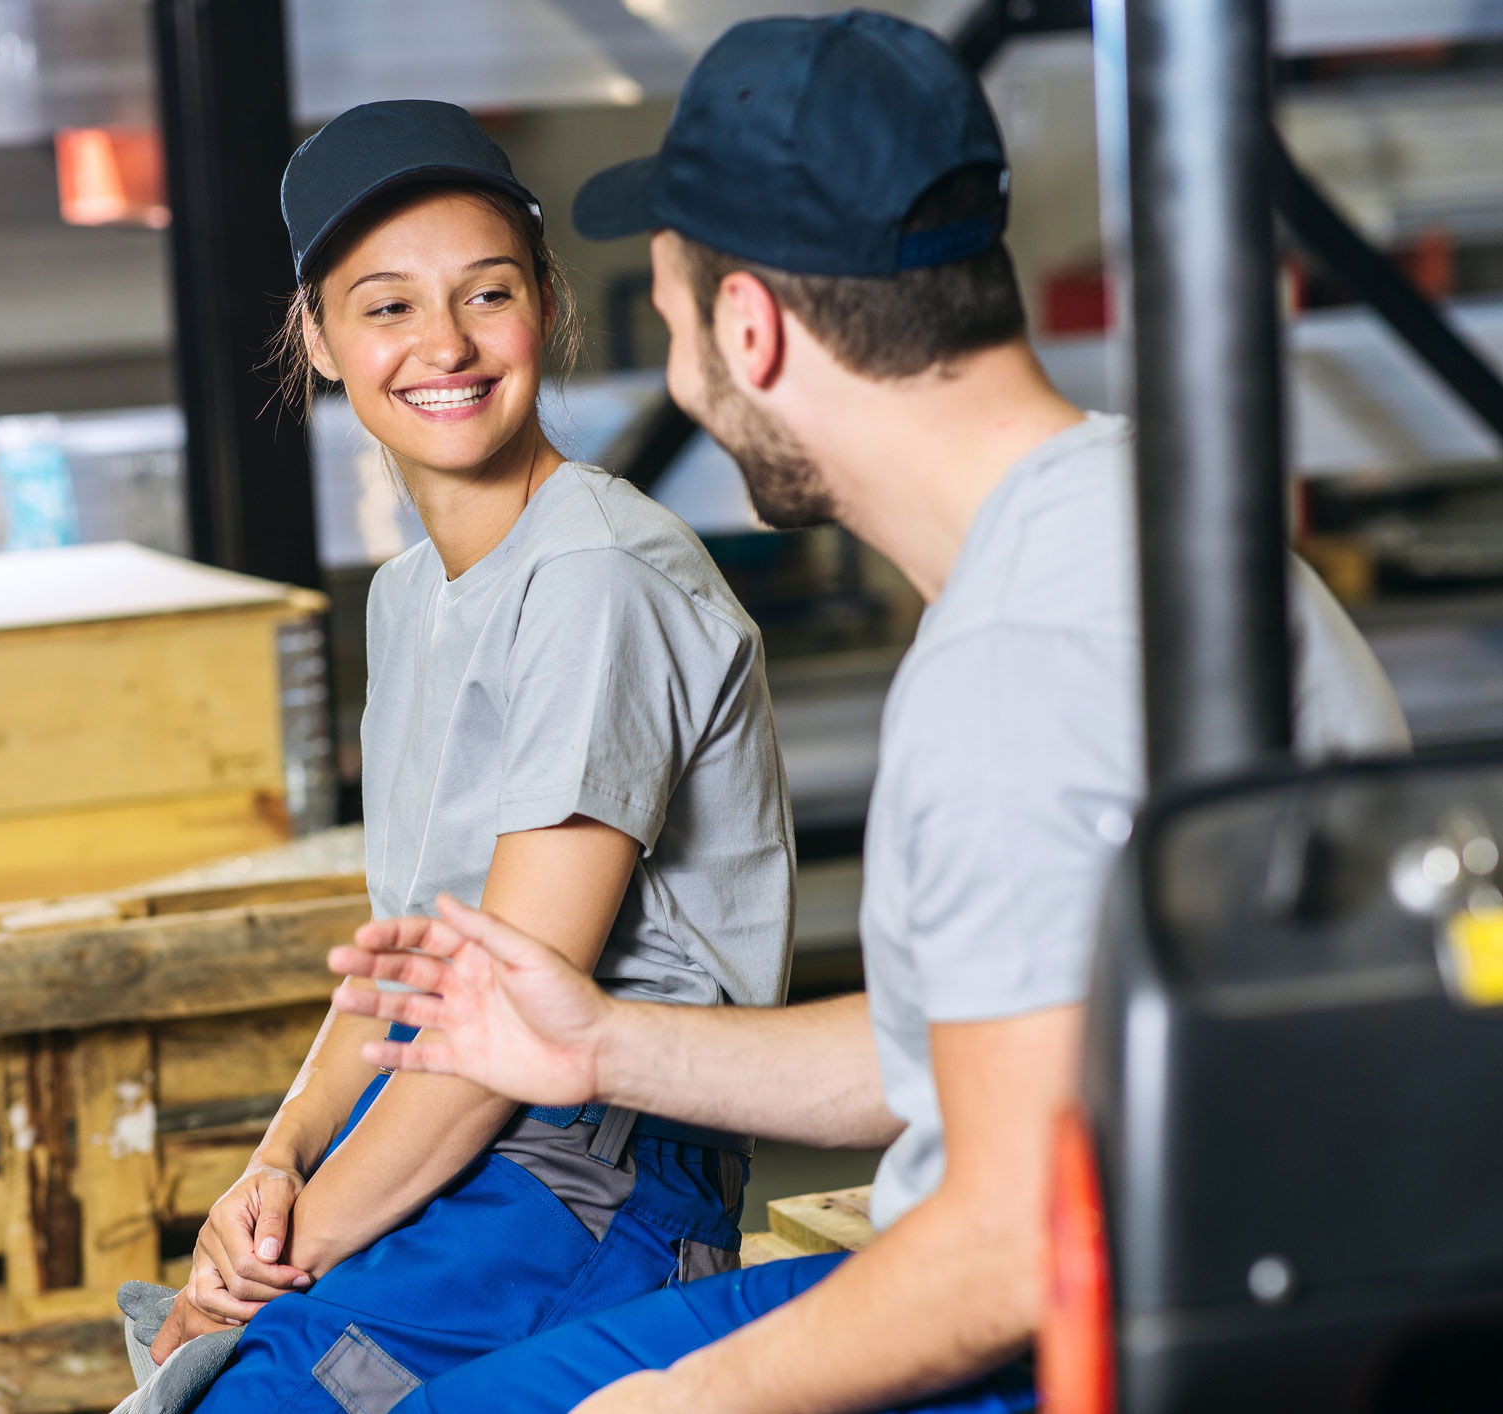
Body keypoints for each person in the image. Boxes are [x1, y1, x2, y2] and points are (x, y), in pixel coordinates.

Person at [328, 13, 1411, 1414]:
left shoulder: (1011, 668)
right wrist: (598, 1041)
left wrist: (675, 1405)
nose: (676, 377)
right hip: (1198, 1261)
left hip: (1094, 1334)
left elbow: (1005, 1250)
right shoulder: (1132, 512)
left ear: (750, 329)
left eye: (666, 321)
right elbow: (976, 1034)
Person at [148, 99, 801, 1413]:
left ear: (545, 306)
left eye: (483, 293)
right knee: (206, 1355)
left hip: (595, 1172)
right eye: (384, 306)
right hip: (458, 1124)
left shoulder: (594, 576)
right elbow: (404, 961)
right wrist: (265, 1179)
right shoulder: (407, 597)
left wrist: (289, 1265)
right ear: (318, 338)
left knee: (248, 1394)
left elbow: (514, 1004)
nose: (441, 345)